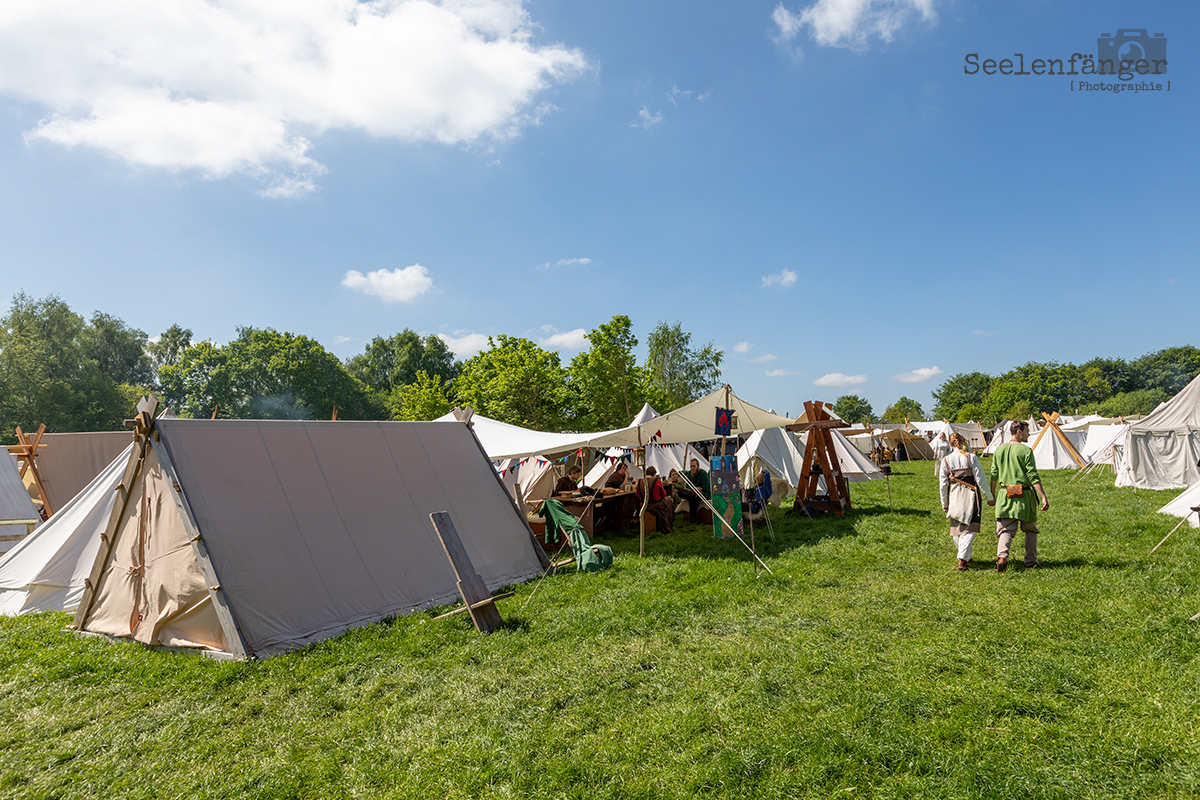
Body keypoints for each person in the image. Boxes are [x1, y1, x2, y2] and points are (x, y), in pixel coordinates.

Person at [988, 420, 1049, 572]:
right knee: (1030, 529)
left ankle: (1002, 558)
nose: (1029, 434)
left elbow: (994, 474)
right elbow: (1033, 475)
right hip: (1024, 495)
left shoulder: (999, 450)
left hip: (1005, 494)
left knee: (1005, 529)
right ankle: (1030, 561)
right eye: (1027, 431)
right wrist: (1043, 496)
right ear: (1019, 432)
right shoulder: (1026, 451)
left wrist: (992, 495)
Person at [939, 432, 994, 570]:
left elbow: (942, 485)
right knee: (970, 527)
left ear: (950, 444)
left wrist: (944, 503)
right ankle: (962, 558)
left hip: (954, 495)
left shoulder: (946, 460)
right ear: (963, 442)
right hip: (971, 496)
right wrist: (989, 497)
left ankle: (967, 557)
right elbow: (981, 479)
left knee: (957, 528)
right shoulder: (971, 457)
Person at [635, 466, 673, 533]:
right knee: (669, 500)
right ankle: (667, 524)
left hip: (643, 505)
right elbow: (663, 494)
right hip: (656, 505)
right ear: (654, 474)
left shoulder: (639, 482)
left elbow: (638, 496)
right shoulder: (657, 481)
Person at [676, 458, 711, 522]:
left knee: (692, 499)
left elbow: (706, 488)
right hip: (691, 492)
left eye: (694, 466)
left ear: (698, 466)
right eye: (691, 466)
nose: (692, 468)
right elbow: (687, 486)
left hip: (702, 494)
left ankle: (692, 517)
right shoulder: (689, 473)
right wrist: (694, 490)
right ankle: (692, 494)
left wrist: (697, 490)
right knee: (680, 492)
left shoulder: (703, 474)